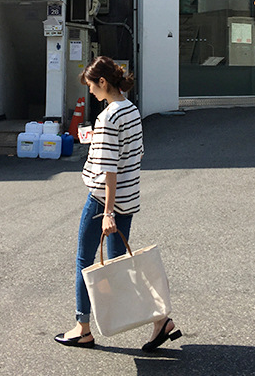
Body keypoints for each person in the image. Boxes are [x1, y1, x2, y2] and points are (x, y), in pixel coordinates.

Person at [54, 56, 181, 351]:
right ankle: (160, 319)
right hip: (128, 197)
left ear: (103, 82)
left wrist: (107, 212)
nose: (91, 92)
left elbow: (109, 168)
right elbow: (134, 154)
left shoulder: (109, 117)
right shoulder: (131, 110)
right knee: (120, 265)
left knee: (85, 261)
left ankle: (82, 328)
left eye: (92, 86)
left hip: (103, 200)